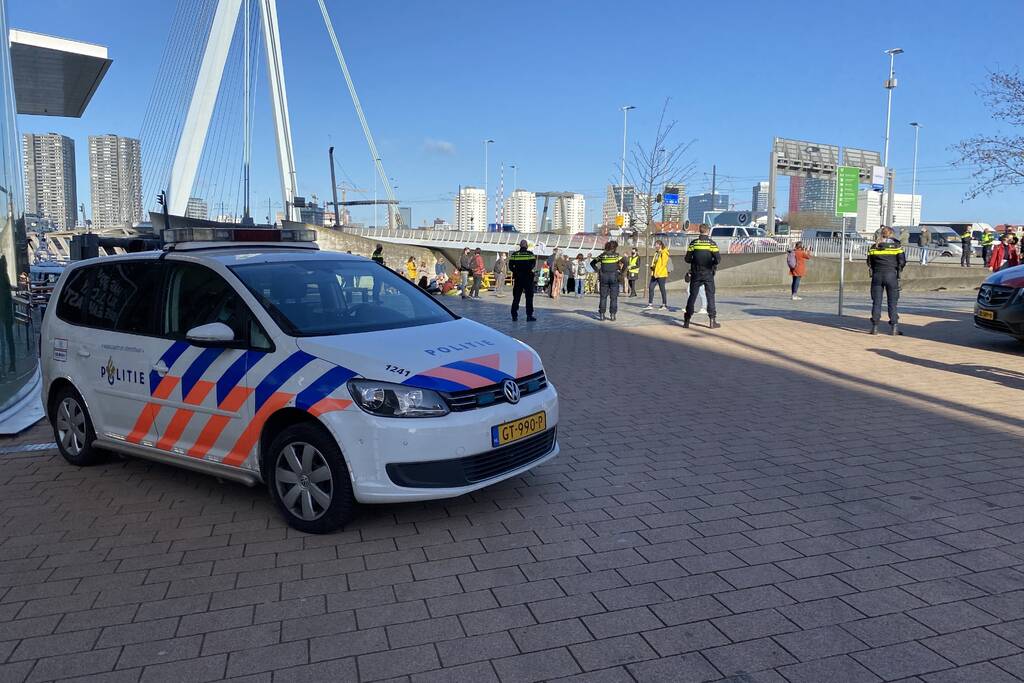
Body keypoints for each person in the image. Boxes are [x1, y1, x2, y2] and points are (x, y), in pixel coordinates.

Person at [867, 226, 907, 336]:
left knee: (876, 302)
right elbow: (902, 261)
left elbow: (869, 262)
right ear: (892, 234)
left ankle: (875, 327)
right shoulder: (897, 247)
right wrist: (898, 270)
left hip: (877, 276)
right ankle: (894, 327)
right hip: (891, 276)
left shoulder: (874, 247)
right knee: (892, 302)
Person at [683, 224, 721, 329]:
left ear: (699, 231)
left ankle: (687, 320)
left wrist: (694, 262)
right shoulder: (711, 244)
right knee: (710, 296)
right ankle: (712, 321)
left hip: (695, 273)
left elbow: (687, 259)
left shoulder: (694, 243)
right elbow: (718, 259)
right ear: (707, 231)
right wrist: (712, 263)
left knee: (692, 296)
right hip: (708, 273)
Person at [591, 240, 624, 321]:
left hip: (604, 278)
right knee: (613, 298)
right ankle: (612, 315)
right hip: (614, 278)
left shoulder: (602, 255)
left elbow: (592, 263)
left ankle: (602, 315)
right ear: (614, 248)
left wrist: (598, 270)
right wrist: (621, 272)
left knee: (603, 297)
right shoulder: (616, 256)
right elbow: (626, 262)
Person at [509, 240, 537, 321]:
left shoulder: (515, 254)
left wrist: (517, 272)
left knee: (516, 297)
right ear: (527, 246)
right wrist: (527, 270)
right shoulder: (530, 254)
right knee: (529, 297)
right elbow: (533, 265)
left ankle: (514, 315)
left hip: (518, 279)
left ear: (520, 246)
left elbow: (510, 266)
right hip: (528, 278)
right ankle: (529, 315)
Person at [644, 241, 670, 311]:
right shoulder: (656, 253)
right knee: (651, 287)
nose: (655, 246)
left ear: (660, 245)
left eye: (656, 245)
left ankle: (664, 304)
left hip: (661, 274)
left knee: (662, 289)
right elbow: (655, 262)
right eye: (655, 245)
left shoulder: (664, 253)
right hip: (654, 273)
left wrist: (658, 272)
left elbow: (663, 264)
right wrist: (652, 268)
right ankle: (650, 304)